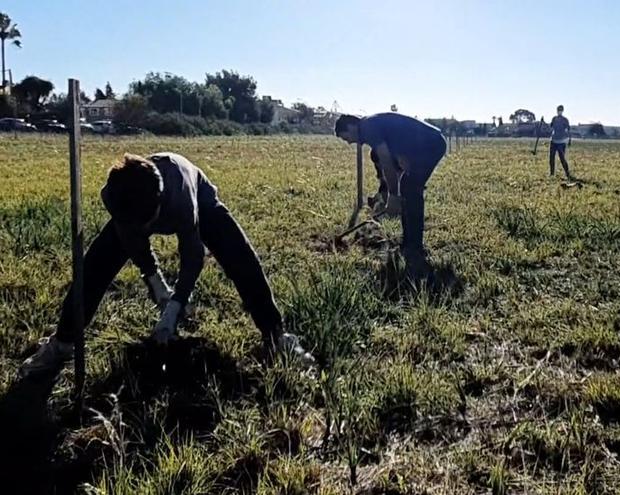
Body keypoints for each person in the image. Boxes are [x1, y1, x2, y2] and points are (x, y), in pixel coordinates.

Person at [20, 152, 311, 378]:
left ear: (159, 204)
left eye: (148, 222)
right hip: (136, 207)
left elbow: (193, 255)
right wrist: (155, 281)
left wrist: (175, 305)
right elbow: (131, 238)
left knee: (241, 256)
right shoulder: (116, 195)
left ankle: (276, 336)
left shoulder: (181, 198)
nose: (145, 228)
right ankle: (63, 343)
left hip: (202, 199)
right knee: (94, 267)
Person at [335, 113, 447, 278]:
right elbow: (391, 160)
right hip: (420, 145)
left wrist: (394, 196)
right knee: (407, 189)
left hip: (431, 144)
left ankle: (414, 246)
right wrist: (387, 194)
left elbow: (387, 161)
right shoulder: (369, 126)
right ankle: (408, 241)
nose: (350, 142)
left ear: (351, 127)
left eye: (347, 138)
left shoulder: (368, 128)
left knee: (411, 190)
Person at [548, 105, 573, 179]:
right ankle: (552, 174)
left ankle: (567, 173)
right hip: (553, 140)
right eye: (558, 109)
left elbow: (568, 130)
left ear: (562, 110)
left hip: (561, 142)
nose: (559, 111)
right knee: (551, 158)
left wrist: (569, 140)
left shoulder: (565, 120)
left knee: (562, 158)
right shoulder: (554, 118)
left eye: (560, 110)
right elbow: (551, 126)